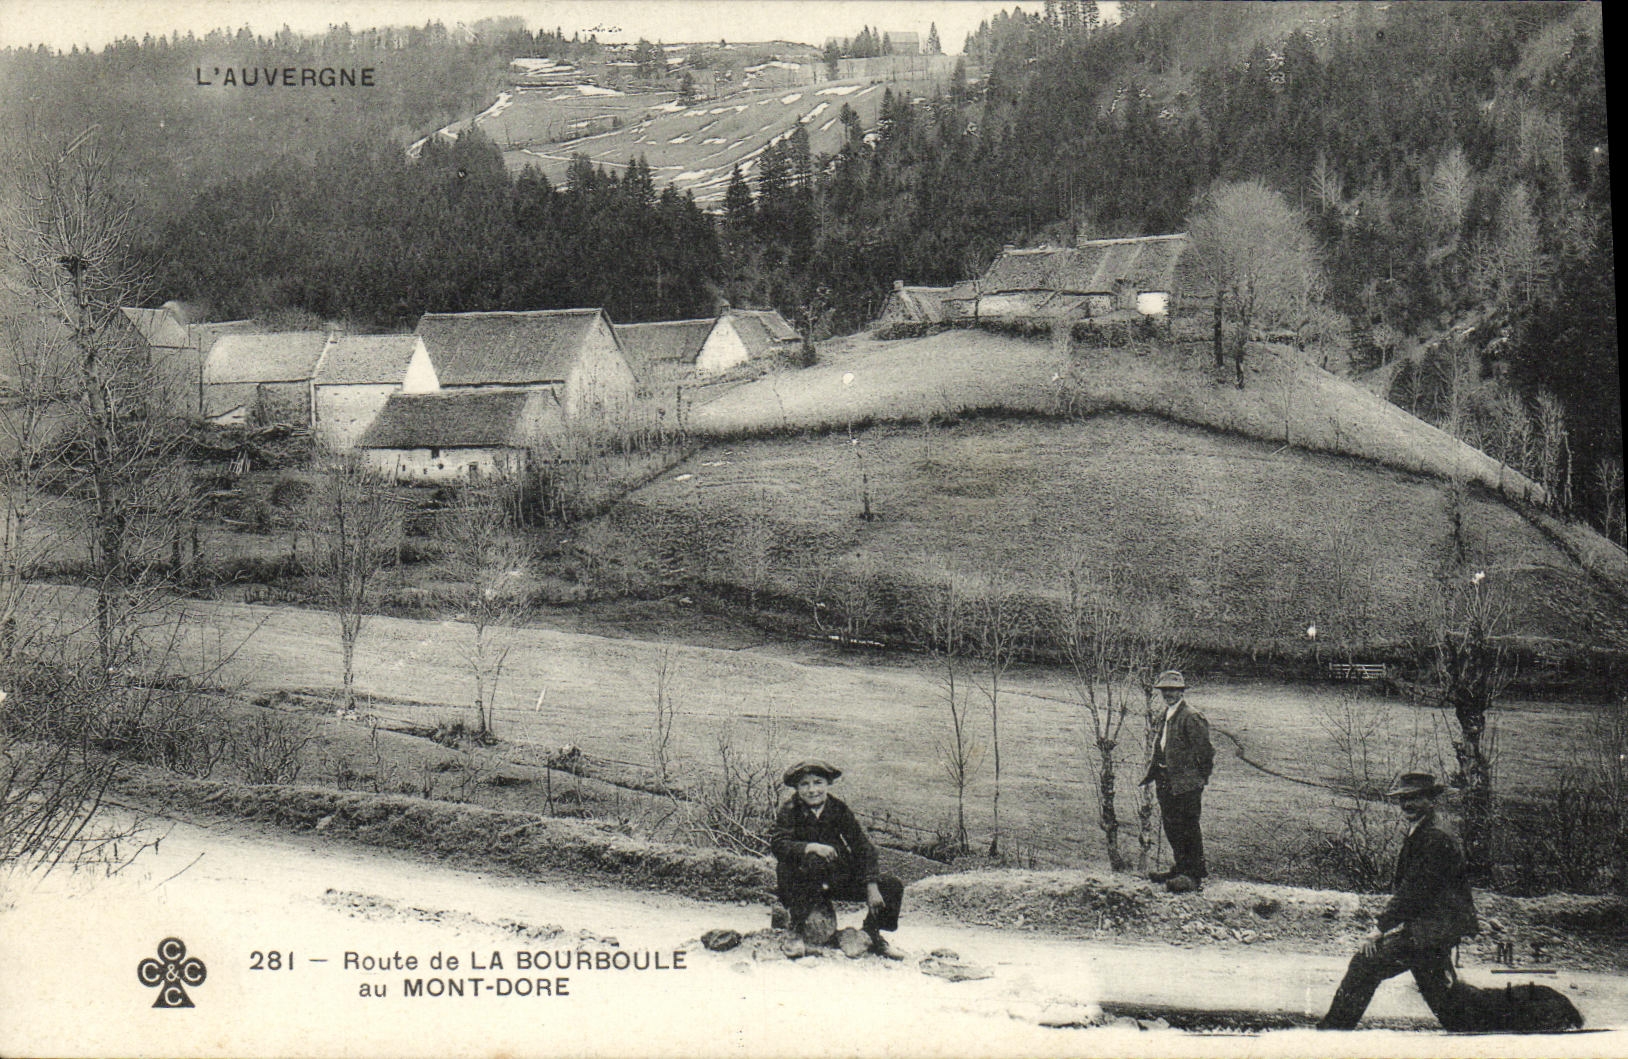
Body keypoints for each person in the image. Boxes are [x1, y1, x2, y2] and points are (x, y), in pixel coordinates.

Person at [1319, 772, 1478, 1030]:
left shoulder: (1434, 837)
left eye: (1414, 798)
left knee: (1365, 964)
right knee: (1443, 998)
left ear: (1430, 799)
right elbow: (1413, 891)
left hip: (1431, 930)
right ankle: (1492, 1034)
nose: (1407, 805)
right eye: (1403, 799)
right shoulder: (1426, 830)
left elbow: (1414, 891)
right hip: (1432, 928)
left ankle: (1331, 1035)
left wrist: (1379, 929)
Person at [768, 760, 905, 958]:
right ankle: (796, 931)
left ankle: (872, 934)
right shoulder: (790, 810)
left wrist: (871, 884)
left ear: (827, 784)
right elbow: (778, 844)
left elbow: (863, 846)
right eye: (804, 784)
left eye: (818, 782)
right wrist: (810, 847)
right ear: (797, 788)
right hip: (800, 881)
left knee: (891, 886)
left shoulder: (837, 809)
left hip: (833, 878)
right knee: (813, 860)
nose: (812, 790)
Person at [1139, 670, 1214, 891]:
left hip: (1186, 784)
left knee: (1188, 826)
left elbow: (1206, 753)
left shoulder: (1191, 716)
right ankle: (1180, 867)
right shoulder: (1168, 714)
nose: (1169, 694)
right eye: (1165, 690)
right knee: (1172, 827)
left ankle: (1194, 876)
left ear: (1181, 691)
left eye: (1173, 689)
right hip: (1165, 779)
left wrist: (1198, 779)